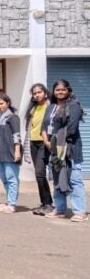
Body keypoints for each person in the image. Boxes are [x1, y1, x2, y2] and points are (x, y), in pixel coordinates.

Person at [45, 79, 86, 222]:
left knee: (74, 179)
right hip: (55, 149)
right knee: (57, 178)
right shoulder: (51, 107)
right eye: (57, 90)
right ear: (53, 92)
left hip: (71, 148)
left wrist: (56, 140)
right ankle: (60, 209)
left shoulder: (73, 106)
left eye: (63, 89)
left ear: (68, 90)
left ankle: (80, 211)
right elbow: (45, 126)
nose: (60, 92)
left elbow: (72, 128)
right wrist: (47, 141)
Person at [0, 94, 22, 214]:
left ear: (7, 102)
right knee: (4, 179)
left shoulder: (13, 117)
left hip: (10, 152)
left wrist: (17, 151)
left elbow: (17, 135)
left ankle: (12, 204)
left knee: (12, 178)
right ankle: (9, 201)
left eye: (1, 103)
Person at [24, 83, 55, 216]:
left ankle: (48, 203)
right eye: (34, 93)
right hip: (33, 142)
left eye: (39, 92)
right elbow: (30, 127)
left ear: (45, 93)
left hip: (45, 143)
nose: (37, 95)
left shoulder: (51, 107)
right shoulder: (34, 108)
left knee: (40, 173)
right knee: (39, 174)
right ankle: (44, 203)